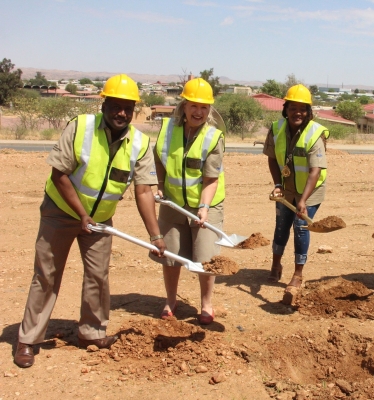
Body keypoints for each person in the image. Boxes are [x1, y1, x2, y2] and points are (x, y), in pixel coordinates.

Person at [14, 74, 165, 368]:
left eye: (128, 108)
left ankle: (91, 333)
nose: (122, 113)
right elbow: (59, 175)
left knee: (98, 277)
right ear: (104, 104)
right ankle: (28, 340)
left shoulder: (140, 144)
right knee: (47, 275)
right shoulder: (80, 128)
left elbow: (144, 190)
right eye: (116, 106)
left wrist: (156, 236)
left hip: (100, 221)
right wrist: (82, 215)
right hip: (60, 213)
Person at [151, 78, 225, 325]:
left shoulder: (213, 137)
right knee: (171, 255)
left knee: (205, 258)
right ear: (183, 106)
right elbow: (160, 160)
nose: (198, 112)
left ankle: (206, 304)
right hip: (173, 203)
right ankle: (170, 300)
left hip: (205, 203)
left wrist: (204, 207)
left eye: (204, 107)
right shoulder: (167, 130)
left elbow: (211, 179)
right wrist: (160, 186)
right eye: (194, 105)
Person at [263, 84, 329, 303]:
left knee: (301, 228)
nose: (297, 113)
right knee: (281, 224)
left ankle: (298, 273)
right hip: (286, 188)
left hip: (310, 191)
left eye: (302, 109)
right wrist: (277, 184)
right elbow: (272, 158)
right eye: (293, 108)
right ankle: (276, 264)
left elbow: (315, 170)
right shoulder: (277, 128)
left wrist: (303, 200)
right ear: (286, 109)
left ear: (309, 112)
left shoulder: (315, 134)